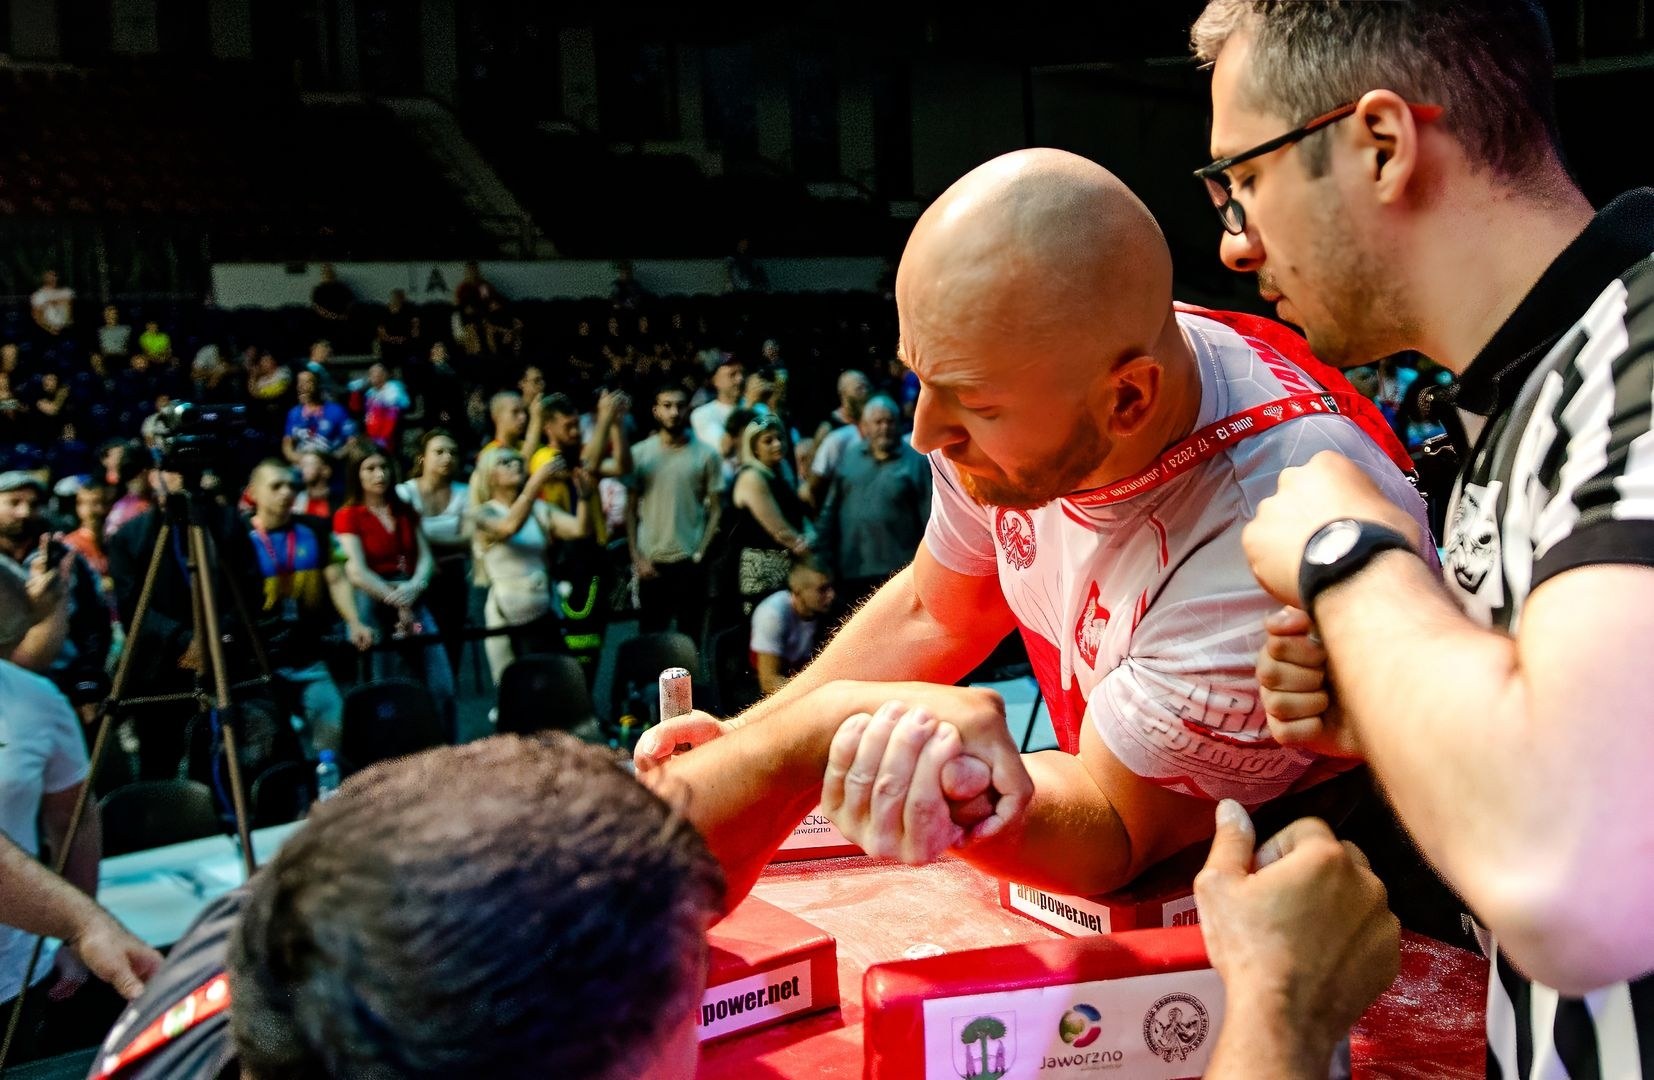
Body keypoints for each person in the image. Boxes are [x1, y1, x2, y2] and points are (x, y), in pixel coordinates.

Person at [640, 149, 1427, 901]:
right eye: (921, 379)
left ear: (1128, 400)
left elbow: (1115, 824)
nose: (924, 433)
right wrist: (743, 746)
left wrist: (944, 787)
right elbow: (939, 608)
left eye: (973, 405)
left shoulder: (1264, 533)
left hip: (1306, 896)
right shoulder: (1034, 360)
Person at [1190, 0, 1654, 1067]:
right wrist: (1406, 696)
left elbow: (1567, 874)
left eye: (1242, 178)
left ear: (1383, 145)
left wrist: (1350, 559)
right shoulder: (1525, 391)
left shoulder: (1636, 354)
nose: (1232, 238)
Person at [241, 461, 375, 756]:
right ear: (253, 493)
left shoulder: (315, 528)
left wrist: (354, 621)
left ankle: (328, 790)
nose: (287, 492)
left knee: (334, 726)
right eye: (276, 486)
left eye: (292, 485)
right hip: (259, 663)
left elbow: (337, 580)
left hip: (308, 657)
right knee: (271, 746)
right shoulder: (238, 539)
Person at [332, 447, 455, 734]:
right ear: (356, 474)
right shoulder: (348, 515)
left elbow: (425, 557)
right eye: (370, 468)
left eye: (384, 467)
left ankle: (449, 750)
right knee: (383, 686)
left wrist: (414, 587)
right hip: (373, 599)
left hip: (414, 595)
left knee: (441, 685)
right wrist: (397, 597)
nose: (380, 474)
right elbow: (356, 571)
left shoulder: (404, 510)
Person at [529, 391, 632, 674]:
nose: (575, 432)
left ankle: (587, 704)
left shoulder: (582, 454)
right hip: (567, 558)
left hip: (594, 555)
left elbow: (623, 465)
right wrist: (604, 418)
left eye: (577, 425)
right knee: (577, 641)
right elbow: (586, 467)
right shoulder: (544, 458)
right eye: (568, 427)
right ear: (548, 427)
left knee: (594, 639)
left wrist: (616, 425)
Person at [472, 448, 588, 682]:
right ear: (489, 475)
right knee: (521, 688)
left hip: (545, 612)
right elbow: (507, 528)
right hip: (508, 618)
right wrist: (536, 483)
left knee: (563, 681)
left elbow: (579, 529)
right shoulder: (482, 514)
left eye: (517, 461)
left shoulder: (538, 510)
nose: (514, 465)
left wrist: (585, 497)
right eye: (505, 462)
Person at [817, 394, 932, 612]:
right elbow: (830, 510)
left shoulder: (916, 462)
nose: (885, 427)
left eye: (890, 421)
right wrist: (823, 556)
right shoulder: (850, 457)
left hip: (897, 573)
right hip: (851, 570)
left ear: (899, 425)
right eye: (878, 422)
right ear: (865, 427)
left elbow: (929, 520)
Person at [626, 385, 723, 643]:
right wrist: (637, 557)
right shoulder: (639, 454)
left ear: (688, 409)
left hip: (689, 561)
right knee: (651, 641)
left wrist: (701, 552)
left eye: (680, 406)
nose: (674, 412)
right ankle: (649, 686)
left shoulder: (706, 454)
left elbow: (716, 508)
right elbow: (630, 510)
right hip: (653, 562)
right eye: (667, 405)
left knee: (687, 642)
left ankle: (679, 688)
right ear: (656, 410)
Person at [396, 431, 472, 681]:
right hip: (413, 579)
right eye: (439, 452)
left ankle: (447, 697)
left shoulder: (465, 492)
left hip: (452, 579)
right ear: (422, 458)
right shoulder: (403, 493)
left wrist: (421, 540)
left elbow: (468, 539)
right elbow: (401, 541)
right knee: (417, 644)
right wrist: (442, 547)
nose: (447, 457)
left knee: (451, 644)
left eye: (453, 452)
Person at [726, 416, 812, 616]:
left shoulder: (782, 471)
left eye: (780, 438)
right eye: (768, 441)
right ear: (754, 448)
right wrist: (809, 555)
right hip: (761, 572)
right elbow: (780, 530)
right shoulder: (751, 477)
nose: (777, 444)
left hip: (788, 566)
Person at [749, 560, 835, 695]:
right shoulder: (772, 614)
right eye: (822, 589)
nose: (831, 595)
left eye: (831, 588)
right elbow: (769, 682)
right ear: (797, 591)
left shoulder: (826, 612)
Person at [280, 370, 355, 463]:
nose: (301, 386)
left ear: (318, 385)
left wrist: (333, 459)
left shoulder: (337, 410)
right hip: (301, 468)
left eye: (307, 382)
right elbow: (287, 445)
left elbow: (352, 441)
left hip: (331, 466)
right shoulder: (293, 413)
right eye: (299, 383)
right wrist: (301, 460)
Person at [348, 362, 409, 451]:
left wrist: (382, 439)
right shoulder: (369, 393)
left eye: (377, 373)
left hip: (387, 439)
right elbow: (355, 409)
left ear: (385, 375)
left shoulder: (394, 389)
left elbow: (404, 405)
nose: (374, 376)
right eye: (371, 373)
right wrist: (355, 393)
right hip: (370, 436)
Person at [690, 355, 745, 452]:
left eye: (742, 373)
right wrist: (750, 407)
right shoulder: (702, 414)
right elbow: (724, 449)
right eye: (732, 374)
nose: (740, 379)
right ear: (715, 380)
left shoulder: (758, 405)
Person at [290, 450, 334, 520]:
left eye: (310, 464)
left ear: (326, 470)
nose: (304, 469)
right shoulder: (295, 498)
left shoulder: (336, 501)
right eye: (303, 465)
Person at [30, 270, 74, 338]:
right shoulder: (38, 295)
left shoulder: (67, 292)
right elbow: (36, 316)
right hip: (46, 331)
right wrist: (49, 329)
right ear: (44, 278)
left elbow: (71, 311)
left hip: (67, 330)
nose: (52, 278)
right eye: (49, 276)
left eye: (54, 276)